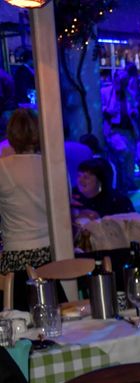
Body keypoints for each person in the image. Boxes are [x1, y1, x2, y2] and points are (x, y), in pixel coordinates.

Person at [0, 109, 50, 309]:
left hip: (17, 257)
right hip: (53, 255)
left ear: (10, 135)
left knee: (20, 320)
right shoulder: (53, 164)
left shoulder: (3, 168)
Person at [71, 157, 135, 220]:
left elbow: (132, 225)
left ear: (100, 181)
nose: (80, 180)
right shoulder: (72, 196)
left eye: (86, 177)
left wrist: (100, 219)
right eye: (79, 176)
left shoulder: (119, 202)